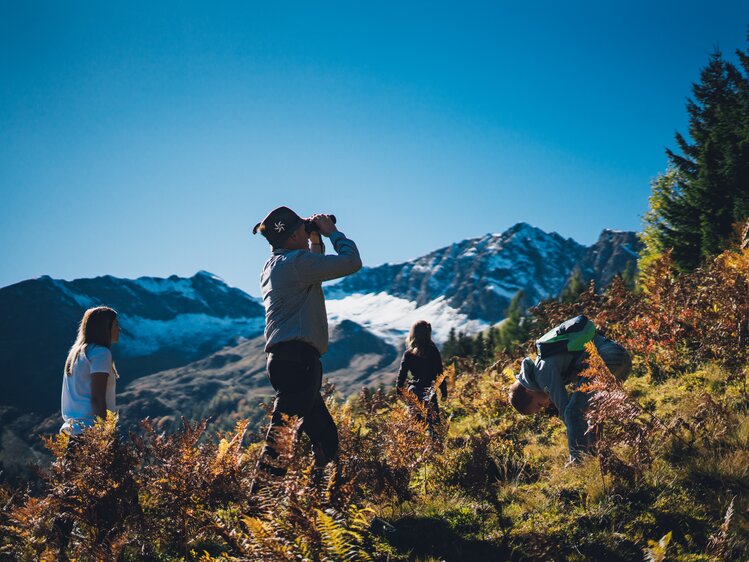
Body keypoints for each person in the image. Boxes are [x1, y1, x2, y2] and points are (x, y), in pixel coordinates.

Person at [252, 206, 362, 479]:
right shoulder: (296, 264)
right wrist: (333, 233)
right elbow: (351, 262)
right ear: (290, 238)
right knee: (282, 442)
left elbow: (312, 270)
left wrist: (314, 240)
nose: (307, 229)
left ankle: (325, 505)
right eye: (302, 228)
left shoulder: (275, 266)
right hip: (299, 361)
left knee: (325, 438)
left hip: (286, 361)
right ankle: (257, 511)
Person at [507, 316, 631, 464]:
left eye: (539, 405)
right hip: (620, 358)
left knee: (572, 412)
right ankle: (595, 457)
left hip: (608, 359)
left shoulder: (542, 374)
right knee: (591, 411)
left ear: (529, 391)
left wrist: (573, 430)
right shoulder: (544, 365)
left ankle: (578, 463)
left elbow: (565, 409)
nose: (546, 405)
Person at [60, 306, 120, 435]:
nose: (119, 329)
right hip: (90, 431)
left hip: (71, 431)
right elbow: (97, 398)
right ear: (105, 328)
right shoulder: (101, 353)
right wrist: (105, 433)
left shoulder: (77, 353)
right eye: (115, 324)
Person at [396, 320, 447, 432]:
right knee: (434, 424)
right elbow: (440, 372)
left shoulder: (408, 353)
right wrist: (444, 392)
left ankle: (416, 447)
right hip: (429, 390)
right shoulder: (433, 351)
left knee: (416, 425)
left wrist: (399, 390)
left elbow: (402, 373)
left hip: (414, 390)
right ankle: (436, 447)